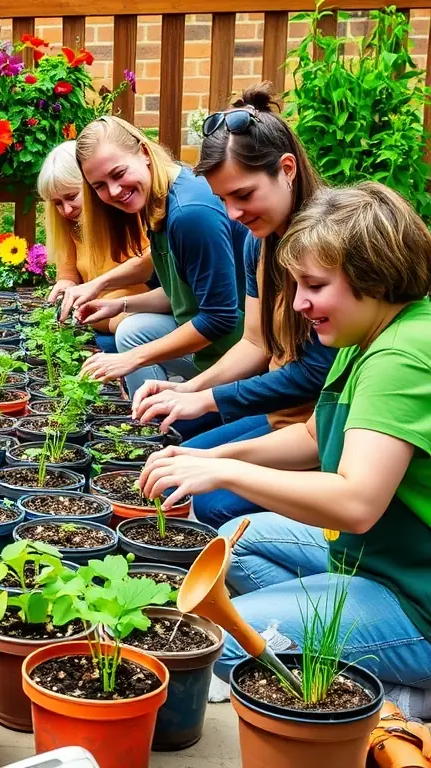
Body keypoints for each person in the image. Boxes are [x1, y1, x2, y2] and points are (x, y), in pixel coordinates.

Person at [140, 183, 431, 715]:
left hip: (417, 599)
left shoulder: (401, 359)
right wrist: (213, 459)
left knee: (222, 646)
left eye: (314, 286)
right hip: (377, 561)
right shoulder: (367, 334)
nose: (298, 304)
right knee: (237, 540)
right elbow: (314, 438)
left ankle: (400, 696)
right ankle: (346, 657)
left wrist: (228, 477)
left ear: (375, 277)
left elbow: (355, 504)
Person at [130, 85, 337, 526]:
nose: (233, 213)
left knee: (212, 500)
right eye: (223, 199)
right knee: (177, 451)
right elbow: (255, 342)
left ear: (287, 170)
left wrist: (207, 399)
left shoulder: (328, 248)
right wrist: (187, 391)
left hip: (322, 429)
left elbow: (315, 373)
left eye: (243, 195)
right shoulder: (258, 246)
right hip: (287, 417)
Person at [74, 116, 248, 409]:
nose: (114, 191)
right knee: (133, 328)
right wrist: (121, 305)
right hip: (218, 339)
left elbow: (220, 316)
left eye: (118, 173)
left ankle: (164, 423)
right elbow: (183, 292)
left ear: (143, 151)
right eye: (100, 185)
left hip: (239, 354)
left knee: (133, 341)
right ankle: (156, 422)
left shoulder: (189, 212)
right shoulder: (159, 198)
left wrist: (131, 359)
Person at [38, 141, 152, 353]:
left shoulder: (127, 213)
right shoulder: (70, 224)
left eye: (72, 197)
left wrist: (98, 287)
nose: (66, 209)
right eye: (57, 203)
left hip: (132, 312)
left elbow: (149, 262)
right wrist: (67, 283)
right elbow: (68, 270)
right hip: (99, 317)